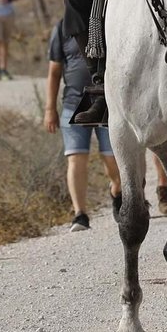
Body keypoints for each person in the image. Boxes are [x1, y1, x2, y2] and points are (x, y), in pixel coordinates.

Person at [44, 18, 119, 232]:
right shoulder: (61, 28)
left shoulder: (106, 19)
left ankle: (117, 190)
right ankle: (80, 214)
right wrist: (50, 108)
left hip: (105, 101)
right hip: (72, 102)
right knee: (76, 158)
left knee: (112, 158)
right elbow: (54, 71)